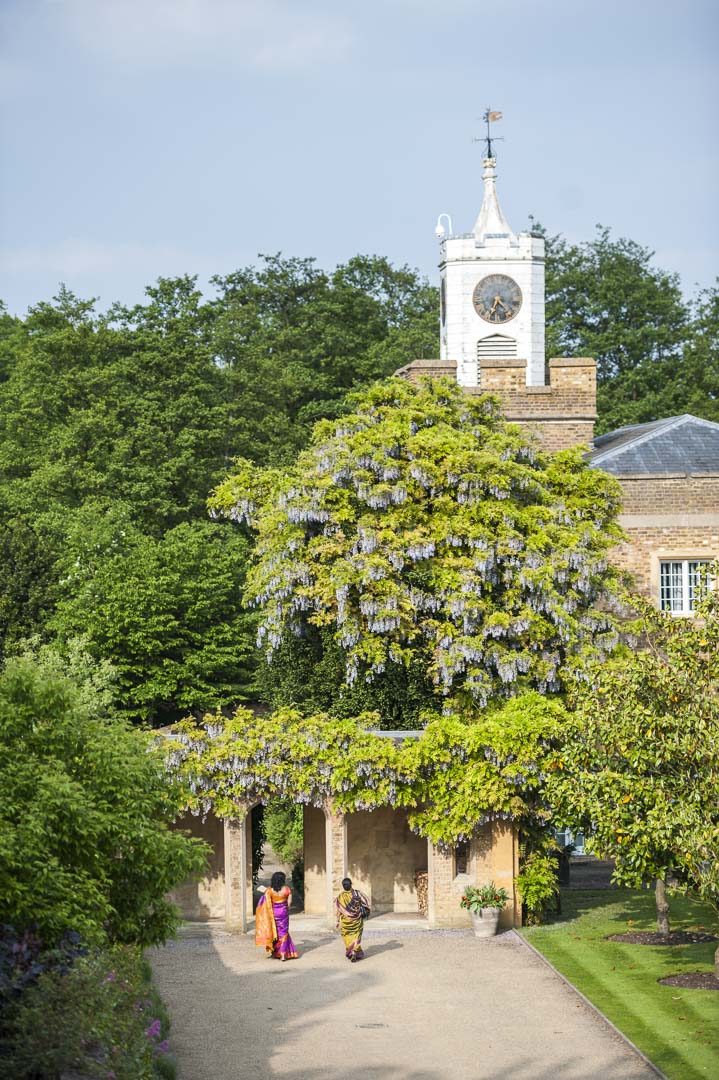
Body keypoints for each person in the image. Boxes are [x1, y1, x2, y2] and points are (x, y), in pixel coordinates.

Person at [255, 871, 299, 961]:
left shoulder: (270, 890)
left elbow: (266, 902)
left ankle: (275, 951)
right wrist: (285, 909)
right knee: (283, 932)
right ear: (282, 880)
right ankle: (282, 954)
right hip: (283, 912)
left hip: (273, 913)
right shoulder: (287, 889)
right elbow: (289, 903)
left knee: (274, 931)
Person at [335, 877, 370, 962]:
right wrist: (365, 910)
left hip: (346, 921)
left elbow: (339, 910)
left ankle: (352, 951)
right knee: (356, 936)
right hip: (357, 920)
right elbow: (367, 902)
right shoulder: (357, 893)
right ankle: (354, 951)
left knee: (346, 936)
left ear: (343, 886)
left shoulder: (340, 897)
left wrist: (338, 920)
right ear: (351, 884)